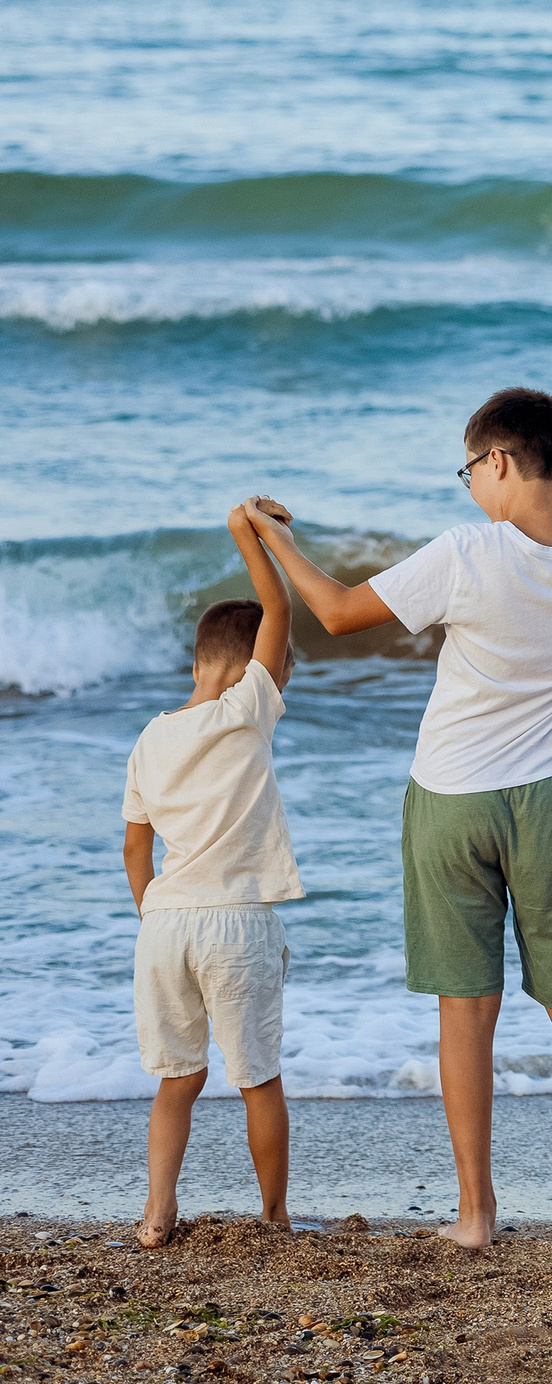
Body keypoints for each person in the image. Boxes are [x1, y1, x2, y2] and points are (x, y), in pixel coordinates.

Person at [242, 327, 552, 1248]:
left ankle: (475, 1214)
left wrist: (276, 537)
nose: (470, 483)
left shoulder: (469, 552)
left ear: (505, 460)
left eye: (471, 467)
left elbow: (341, 611)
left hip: (453, 800)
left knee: (466, 1009)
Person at [122, 504, 305, 1247]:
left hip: (164, 925)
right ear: (246, 665)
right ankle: (274, 1214)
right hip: (235, 918)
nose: (283, 678)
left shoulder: (150, 736)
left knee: (177, 1080)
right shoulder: (246, 712)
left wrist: (152, 914)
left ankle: (156, 1212)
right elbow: (282, 606)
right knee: (256, 1075)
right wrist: (251, 532)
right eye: (280, 666)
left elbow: (136, 849)